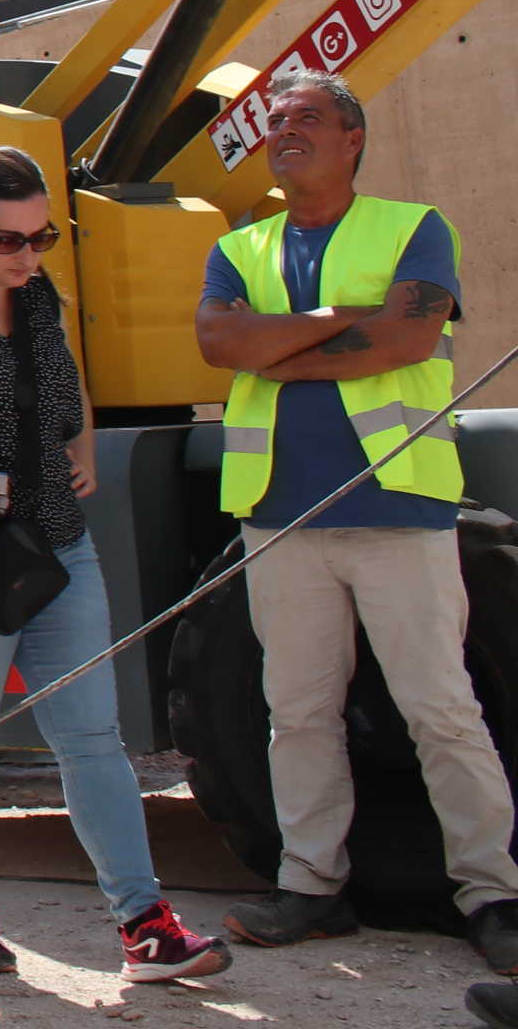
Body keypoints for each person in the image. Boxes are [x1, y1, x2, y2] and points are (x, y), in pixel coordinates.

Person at [193, 68, 518, 969]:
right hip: (279, 516)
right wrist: (340, 323)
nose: (284, 127)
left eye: (307, 117)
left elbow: (409, 337)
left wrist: (280, 347)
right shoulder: (240, 247)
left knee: (439, 708)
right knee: (295, 712)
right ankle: (312, 887)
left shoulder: (414, 228)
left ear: (352, 140)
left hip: (399, 506)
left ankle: (494, 896)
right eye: (275, 118)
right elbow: (221, 345)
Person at [0, 146, 230, 982]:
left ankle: (144, 926)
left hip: (60, 544)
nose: (29, 256)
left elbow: (65, 386)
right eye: (9, 241)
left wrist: (77, 444)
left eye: (42, 237)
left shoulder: (40, 297)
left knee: (92, 739)